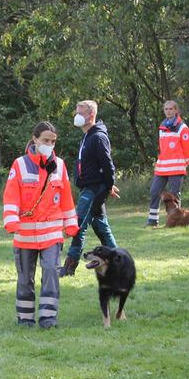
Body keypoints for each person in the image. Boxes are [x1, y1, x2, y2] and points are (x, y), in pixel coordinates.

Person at [2, 122, 79, 329]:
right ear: (34, 139)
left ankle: (48, 319)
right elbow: (11, 195)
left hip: (51, 234)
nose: (50, 145)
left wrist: (71, 224)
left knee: (50, 273)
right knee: (25, 278)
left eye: (53, 141)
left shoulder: (60, 165)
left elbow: (66, 198)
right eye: (46, 140)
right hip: (25, 234)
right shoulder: (19, 164)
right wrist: (11, 220)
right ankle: (25, 319)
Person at [60, 100, 120, 277]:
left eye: (81, 112)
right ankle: (119, 260)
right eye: (76, 111)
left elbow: (108, 165)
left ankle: (69, 266)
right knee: (100, 225)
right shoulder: (87, 136)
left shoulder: (98, 137)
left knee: (78, 225)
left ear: (91, 115)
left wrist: (109, 185)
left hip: (94, 188)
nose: (77, 116)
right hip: (89, 187)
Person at [146, 100, 189, 227]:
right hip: (162, 168)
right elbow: (162, 149)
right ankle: (152, 220)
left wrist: (183, 164)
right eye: (166, 109)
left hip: (176, 168)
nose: (168, 111)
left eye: (171, 109)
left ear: (176, 110)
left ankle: (177, 220)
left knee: (174, 196)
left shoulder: (182, 127)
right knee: (154, 191)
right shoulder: (162, 127)